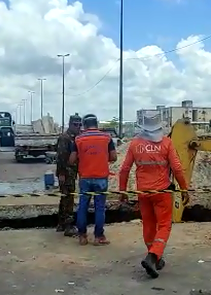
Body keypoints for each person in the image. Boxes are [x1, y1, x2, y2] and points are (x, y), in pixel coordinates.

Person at [119, 111, 190, 279]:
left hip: (143, 192)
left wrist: (123, 190)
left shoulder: (135, 144)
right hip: (162, 192)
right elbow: (178, 169)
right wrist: (184, 189)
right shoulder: (167, 143)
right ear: (160, 126)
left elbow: (124, 169)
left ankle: (155, 257)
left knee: (149, 225)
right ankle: (152, 257)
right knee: (164, 225)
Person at [69, 114, 117, 246]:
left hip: (85, 178)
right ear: (97, 123)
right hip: (101, 178)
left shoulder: (78, 139)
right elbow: (113, 157)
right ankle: (98, 237)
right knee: (100, 208)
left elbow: (72, 160)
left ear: (84, 125)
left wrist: (83, 158)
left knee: (82, 207)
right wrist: (101, 158)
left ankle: (82, 237)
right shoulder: (106, 138)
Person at [55, 113, 82, 236]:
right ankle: (68, 226)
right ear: (70, 124)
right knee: (68, 198)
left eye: (79, 124)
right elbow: (60, 157)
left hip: (72, 172)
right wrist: (61, 173)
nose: (78, 127)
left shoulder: (76, 137)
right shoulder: (65, 138)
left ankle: (61, 223)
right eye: (75, 124)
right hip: (65, 172)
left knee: (65, 197)